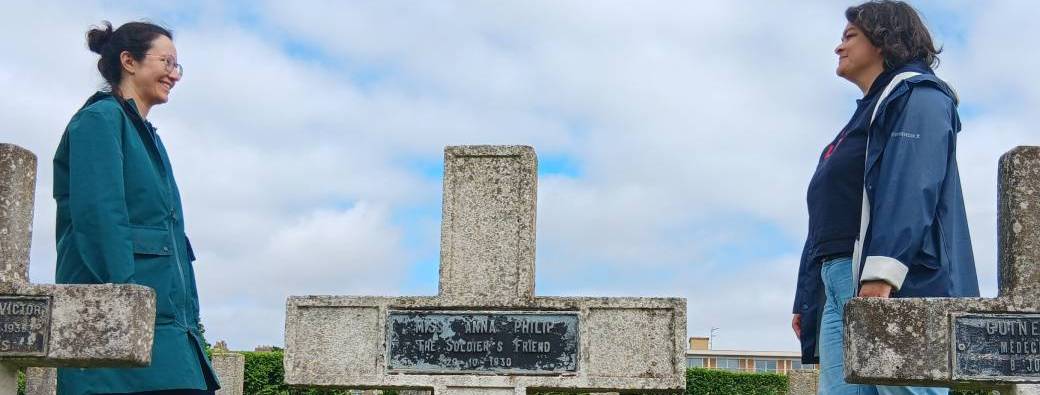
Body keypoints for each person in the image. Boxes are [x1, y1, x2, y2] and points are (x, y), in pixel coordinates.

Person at [791, 1, 979, 394]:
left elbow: (913, 185)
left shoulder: (920, 94)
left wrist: (882, 274)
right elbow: (828, 215)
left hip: (895, 282)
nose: (838, 47)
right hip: (840, 280)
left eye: (850, 36)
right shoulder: (858, 120)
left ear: (882, 40)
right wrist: (806, 297)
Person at [53, 21, 219, 394]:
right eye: (167, 62)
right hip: (119, 335)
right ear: (129, 61)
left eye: (178, 66)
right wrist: (127, 315)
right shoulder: (99, 121)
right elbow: (100, 221)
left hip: (169, 335)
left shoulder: (149, 138)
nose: (174, 74)